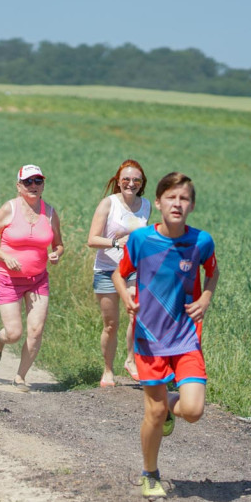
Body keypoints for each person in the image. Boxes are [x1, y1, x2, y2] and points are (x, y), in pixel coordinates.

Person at [112, 172, 218, 498]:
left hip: (185, 337)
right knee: (153, 413)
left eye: (184, 198)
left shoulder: (201, 242)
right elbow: (120, 272)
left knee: (195, 410)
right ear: (157, 203)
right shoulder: (141, 240)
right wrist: (126, 296)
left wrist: (205, 298)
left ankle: (175, 404)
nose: (177, 203)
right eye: (171, 197)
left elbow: (213, 273)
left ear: (192, 205)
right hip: (149, 338)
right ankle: (150, 472)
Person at [0, 165, 65, 391]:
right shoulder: (8, 209)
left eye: (38, 181)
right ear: (18, 186)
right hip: (8, 279)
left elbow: (58, 244)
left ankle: (20, 376)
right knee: (14, 333)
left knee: (36, 329)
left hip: (38, 279)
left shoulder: (49, 213)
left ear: (43, 185)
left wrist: (56, 254)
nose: (33, 186)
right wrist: (5, 256)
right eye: (28, 182)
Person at [86, 160, 151, 386]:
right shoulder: (108, 204)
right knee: (111, 325)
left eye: (136, 180)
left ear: (142, 183)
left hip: (133, 270)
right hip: (106, 270)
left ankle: (131, 360)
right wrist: (115, 243)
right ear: (118, 180)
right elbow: (91, 240)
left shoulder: (146, 206)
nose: (130, 183)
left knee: (137, 313)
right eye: (126, 179)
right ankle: (107, 370)